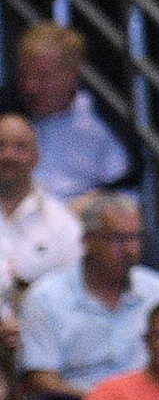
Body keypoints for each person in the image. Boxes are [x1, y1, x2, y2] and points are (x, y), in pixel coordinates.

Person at [22, 195, 159, 398]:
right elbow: (42, 380)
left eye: (136, 237)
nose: (131, 249)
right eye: (119, 239)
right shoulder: (45, 297)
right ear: (88, 240)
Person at [9, 24, 133, 203]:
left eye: (42, 77)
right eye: (24, 75)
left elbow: (124, 188)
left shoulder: (101, 119)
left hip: (78, 215)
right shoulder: (7, 112)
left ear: (72, 75)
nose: (30, 86)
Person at [0, 111, 80, 295]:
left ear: (37, 156)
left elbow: (72, 295)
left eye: (20, 147)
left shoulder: (63, 224)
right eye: (0, 146)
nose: (8, 156)